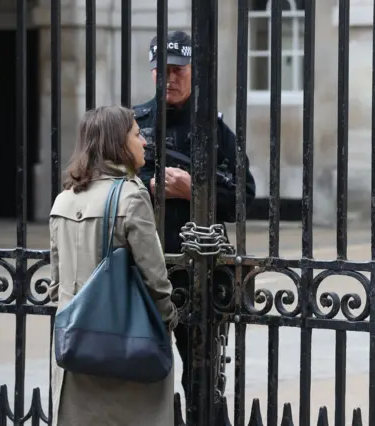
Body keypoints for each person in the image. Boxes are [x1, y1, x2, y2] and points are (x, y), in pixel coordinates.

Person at [133, 30, 256, 409]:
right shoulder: (134, 124)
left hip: (199, 271)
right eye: (163, 70)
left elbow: (245, 196)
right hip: (145, 266)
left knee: (201, 375)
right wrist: (149, 188)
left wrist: (193, 191)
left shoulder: (212, 127)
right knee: (142, 370)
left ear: (192, 72)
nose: (169, 78)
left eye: (178, 70)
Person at [48, 105, 179, 426]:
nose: (144, 142)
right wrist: (169, 318)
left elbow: (55, 283)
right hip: (126, 351)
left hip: (75, 348)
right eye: (136, 135)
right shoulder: (130, 197)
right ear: (118, 144)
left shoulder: (63, 200)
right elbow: (155, 278)